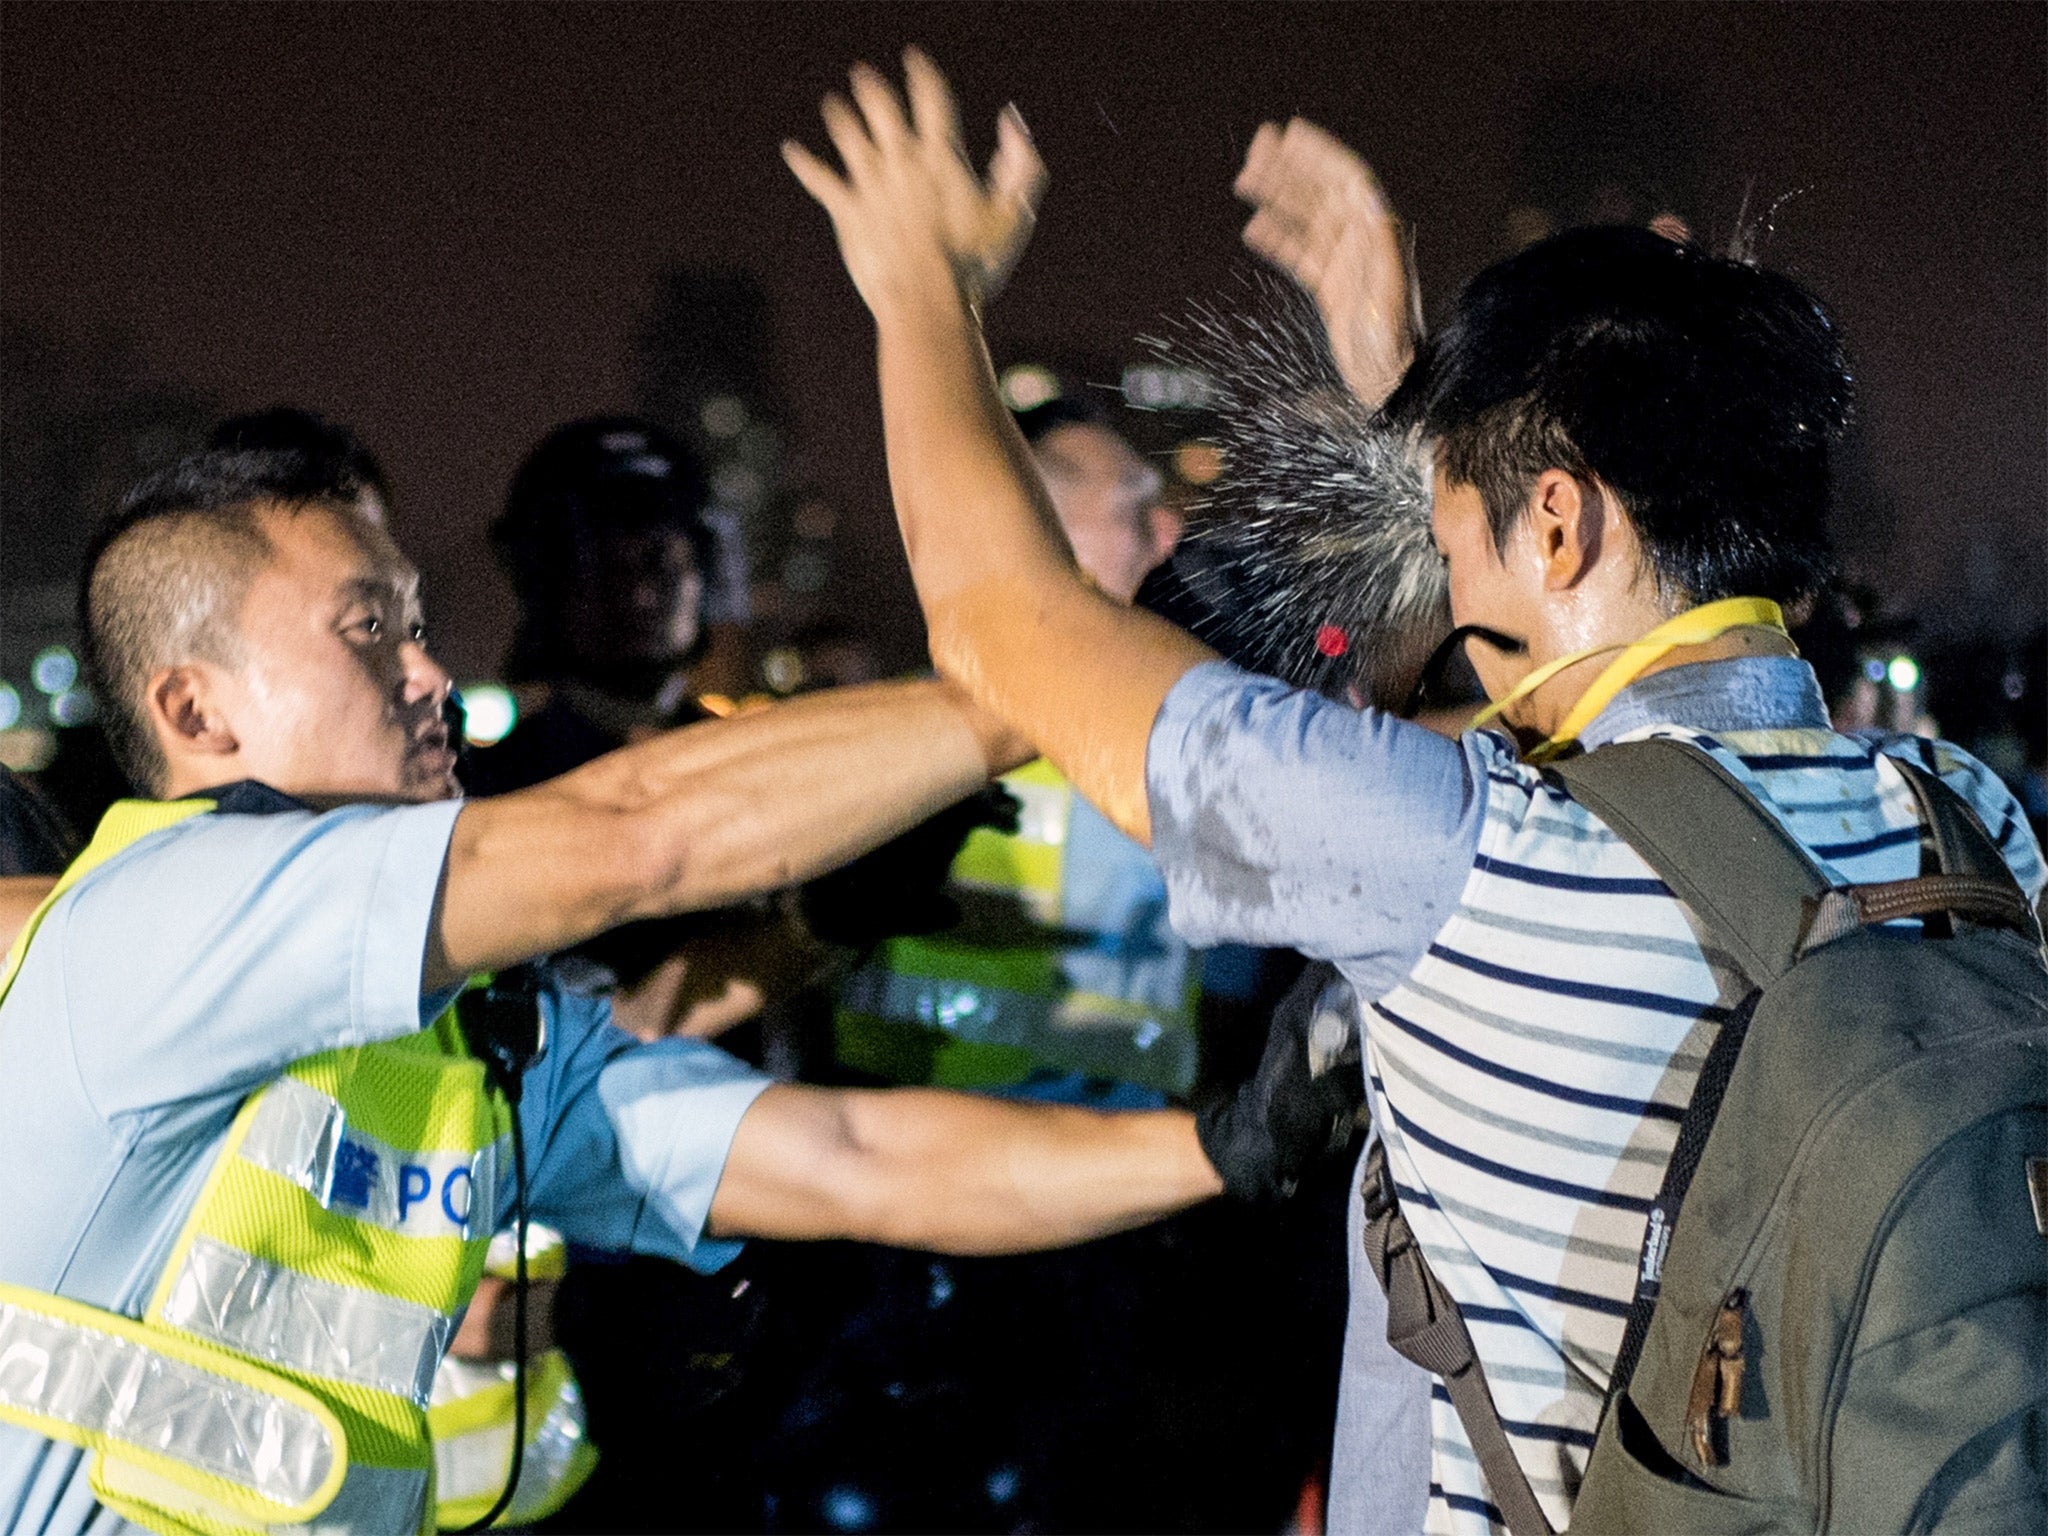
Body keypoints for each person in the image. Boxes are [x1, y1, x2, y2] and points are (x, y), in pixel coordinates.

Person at [782, 53, 2046, 1535]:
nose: (1430, 564)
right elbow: (1627, 704)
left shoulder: (1464, 862)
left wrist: (924, 285)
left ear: (1558, 522)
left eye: (1447, 519)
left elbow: (999, 619)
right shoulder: (1969, 824)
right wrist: (1434, 407)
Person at [0, 444, 1346, 1536]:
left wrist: (1222, 1147)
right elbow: (634, 838)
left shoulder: (465, 1034)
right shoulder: (157, 921)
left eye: (418, 628)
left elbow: (848, 1156)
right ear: (195, 715)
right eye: (369, 632)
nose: (425, 675)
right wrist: (1069, 672)